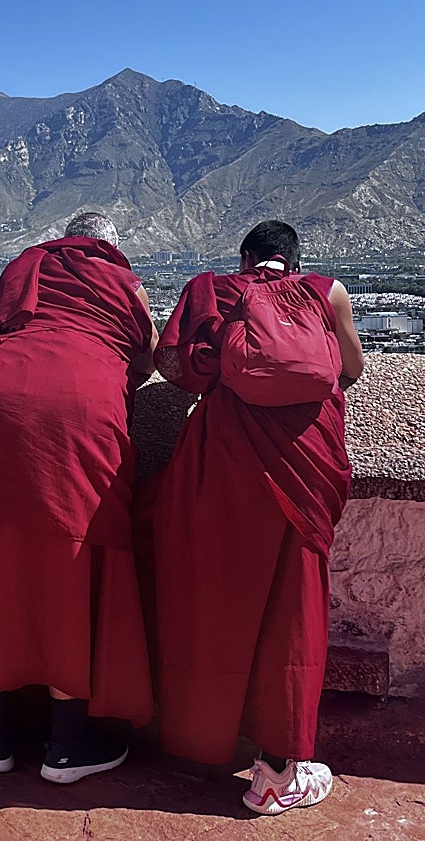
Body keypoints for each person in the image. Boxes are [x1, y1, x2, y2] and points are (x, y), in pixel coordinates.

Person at [0, 212, 159, 783]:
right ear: (110, 246)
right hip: (79, 409)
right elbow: (148, 360)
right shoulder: (122, 280)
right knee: (71, 569)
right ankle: (65, 746)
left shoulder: (25, 264)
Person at [151, 220, 364, 814]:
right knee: (292, 610)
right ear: (293, 262)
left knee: (214, 597)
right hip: (306, 459)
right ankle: (275, 773)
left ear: (245, 259)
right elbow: (352, 369)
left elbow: (182, 370)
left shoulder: (211, 290)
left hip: (223, 461)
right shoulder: (328, 291)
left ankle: (201, 735)